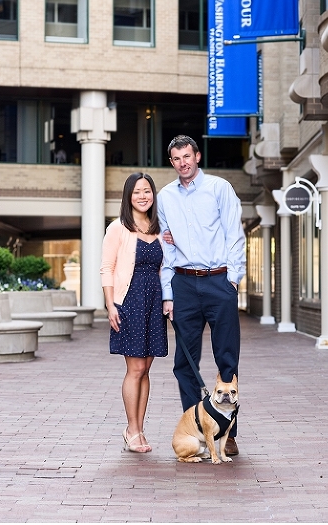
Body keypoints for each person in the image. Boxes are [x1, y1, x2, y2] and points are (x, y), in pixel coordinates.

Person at [157, 134, 246, 457]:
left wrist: (232, 279)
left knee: (227, 359)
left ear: (196, 156)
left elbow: (234, 234)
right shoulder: (165, 197)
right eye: (176, 158)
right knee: (184, 363)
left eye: (187, 156)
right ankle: (195, 429)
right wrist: (168, 293)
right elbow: (167, 247)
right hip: (183, 283)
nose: (183, 163)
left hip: (219, 281)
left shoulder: (219, 188)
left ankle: (228, 433)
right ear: (172, 162)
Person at [100, 172, 168, 453]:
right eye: (137, 191)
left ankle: (138, 429)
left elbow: (167, 267)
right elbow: (107, 268)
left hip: (154, 303)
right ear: (128, 196)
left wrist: (169, 299)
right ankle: (132, 429)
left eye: (147, 191)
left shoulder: (161, 227)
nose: (143, 196)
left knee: (146, 368)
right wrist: (110, 305)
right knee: (135, 368)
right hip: (129, 301)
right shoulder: (118, 228)